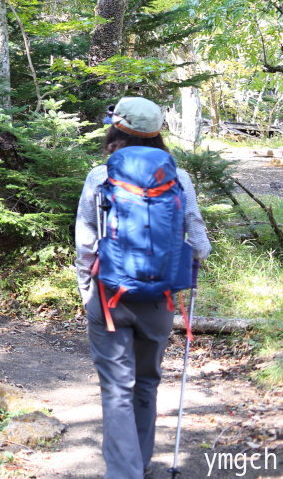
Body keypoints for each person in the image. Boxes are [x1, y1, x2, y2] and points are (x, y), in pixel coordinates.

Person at [74, 97, 211, 479]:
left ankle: (124, 472)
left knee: (116, 387)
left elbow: (85, 242)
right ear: (157, 134)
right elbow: (199, 242)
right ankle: (143, 464)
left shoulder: (100, 176)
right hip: (160, 299)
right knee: (147, 381)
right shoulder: (178, 178)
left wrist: (87, 289)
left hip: (109, 296)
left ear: (115, 128)